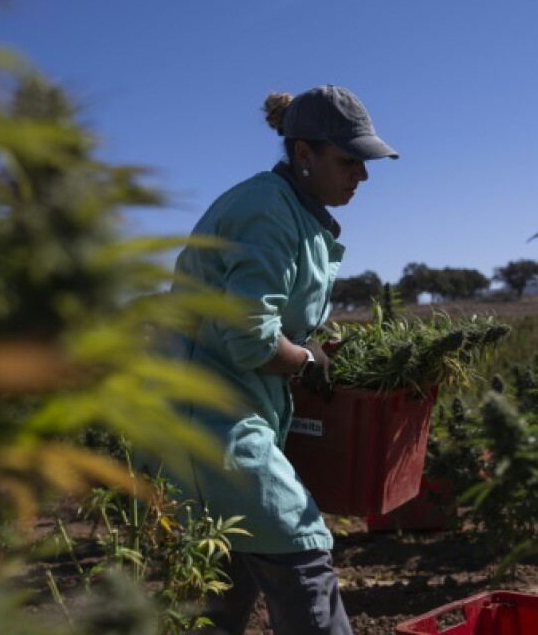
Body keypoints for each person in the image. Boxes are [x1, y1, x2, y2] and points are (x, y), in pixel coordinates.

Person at [166, 85, 398, 635]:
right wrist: (307, 361)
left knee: (223, 584)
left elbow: (269, 322)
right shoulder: (267, 211)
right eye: (349, 161)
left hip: (233, 418)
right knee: (300, 550)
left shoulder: (293, 211)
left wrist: (314, 348)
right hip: (214, 423)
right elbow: (249, 338)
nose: (360, 177)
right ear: (303, 155)